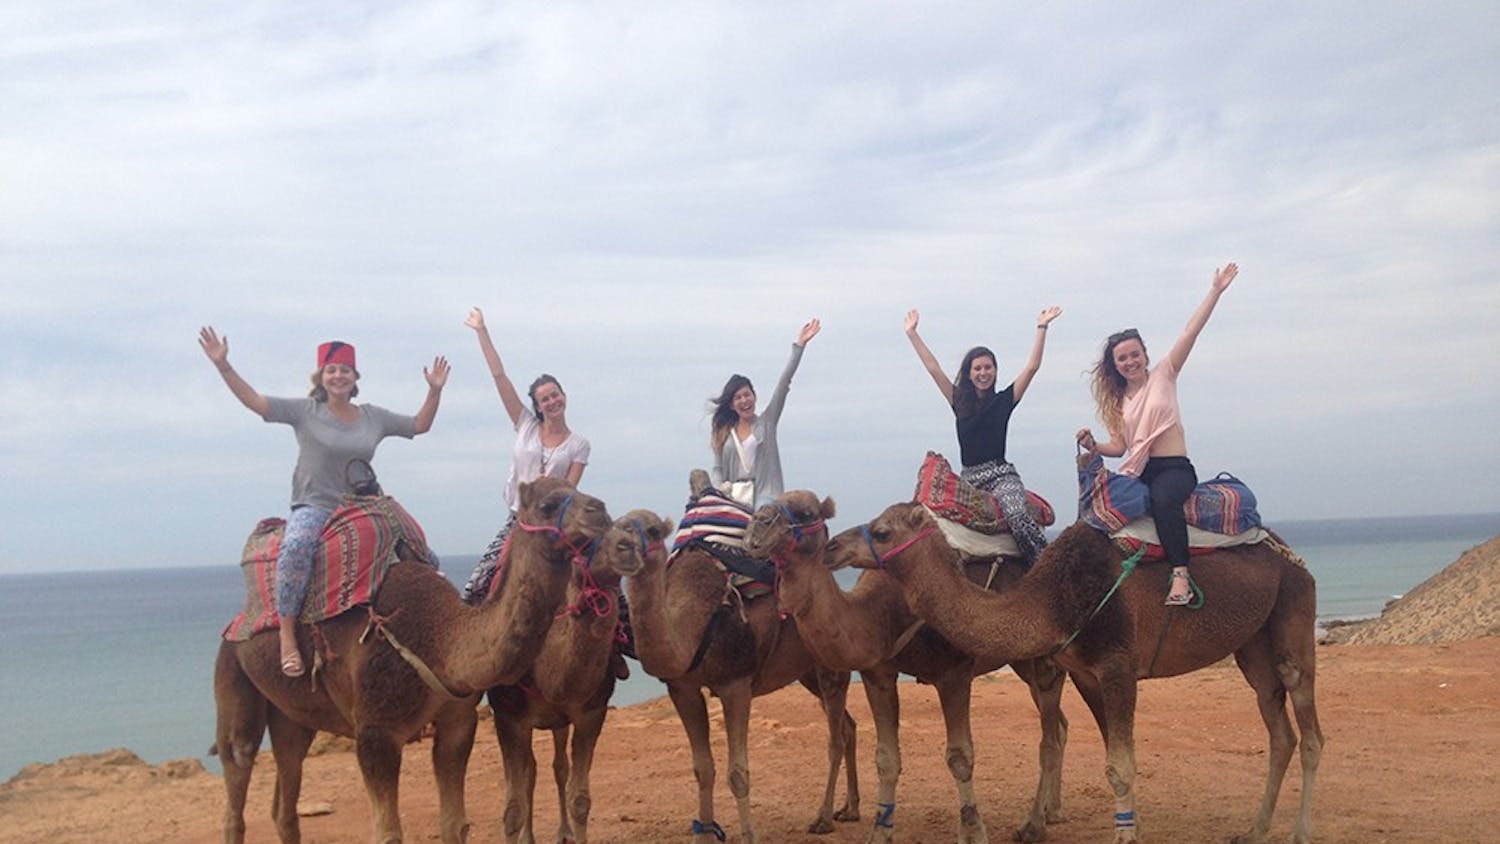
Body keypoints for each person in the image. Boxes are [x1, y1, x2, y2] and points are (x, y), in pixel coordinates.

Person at [198, 327, 449, 676]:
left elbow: (420, 425)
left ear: (355, 376)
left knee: (418, 545)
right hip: (315, 505)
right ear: (321, 376)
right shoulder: (305, 412)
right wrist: (224, 366)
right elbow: (255, 401)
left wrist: (434, 391)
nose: (338, 375)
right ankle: (287, 635)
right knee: (297, 548)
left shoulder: (372, 416)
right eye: (331, 370)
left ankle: (443, 623)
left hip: (362, 504)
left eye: (345, 370)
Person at [1076, 262, 1240, 606]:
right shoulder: (1120, 402)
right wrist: (1094, 445)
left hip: (1174, 469)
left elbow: (1188, 333)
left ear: (1145, 355)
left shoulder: (1164, 373)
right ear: (1115, 365)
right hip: (1140, 470)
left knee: (1165, 502)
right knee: (1102, 509)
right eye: (1122, 358)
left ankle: (1181, 575)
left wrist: (1215, 291)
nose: (1130, 361)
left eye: (1135, 354)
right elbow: (1121, 447)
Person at [904, 306, 1062, 564]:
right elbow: (934, 369)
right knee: (932, 521)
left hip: (1001, 475)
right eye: (977, 368)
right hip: (969, 478)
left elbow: (1032, 367)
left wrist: (1042, 327)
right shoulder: (958, 400)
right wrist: (912, 334)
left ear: (995, 371)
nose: (983, 373)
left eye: (988, 367)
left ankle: (1044, 566)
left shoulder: (1004, 401)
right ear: (969, 373)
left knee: (1017, 517)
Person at [460, 306, 591, 603]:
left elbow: (570, 490)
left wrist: (550, 489)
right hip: (519, 519)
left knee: (593, 579)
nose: (552, 401)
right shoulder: (525, 426)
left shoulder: (579, 444)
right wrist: (482, 331)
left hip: (555, 524)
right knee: (475, 589)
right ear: (538, 406)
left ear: (564, 396)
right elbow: (499, 376)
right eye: (545, 399)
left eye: (555, 394)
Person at [708, 318, 821, 510]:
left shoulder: (767, 422)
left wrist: (799, 345)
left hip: (765, 496)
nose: (744, 401)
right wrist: (719, 489)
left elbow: (784, 383)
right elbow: (718, 469)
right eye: (738, 398)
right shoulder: (724, 433)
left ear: (754, 396)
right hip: (734, 497)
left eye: (747, 395)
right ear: (731, 405)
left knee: (761, 519)